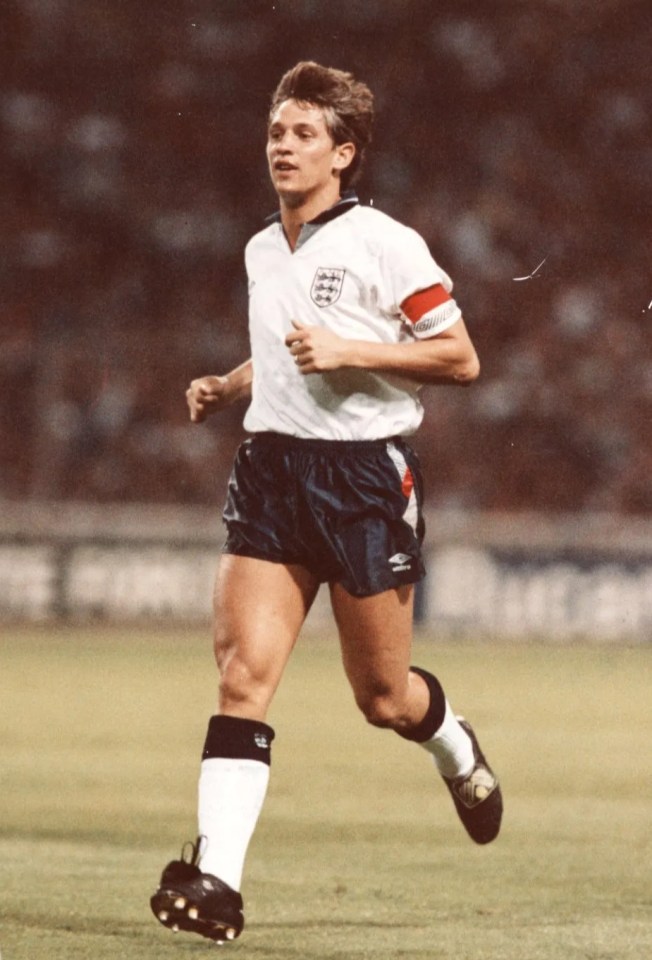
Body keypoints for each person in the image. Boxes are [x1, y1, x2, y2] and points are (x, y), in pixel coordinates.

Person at [150, 60, 502, 945]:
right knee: (242, 678)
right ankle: (219, 882)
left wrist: (351, 350)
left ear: (343, 153)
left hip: (362, 482)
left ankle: (455, 747)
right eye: (276, 130)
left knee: (383, 699)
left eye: (304, 133)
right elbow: (284, 344)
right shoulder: (262, 245)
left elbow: (460, 358)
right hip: (270, 470)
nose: (283, 145)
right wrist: (232, 383)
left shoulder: (389, 243)